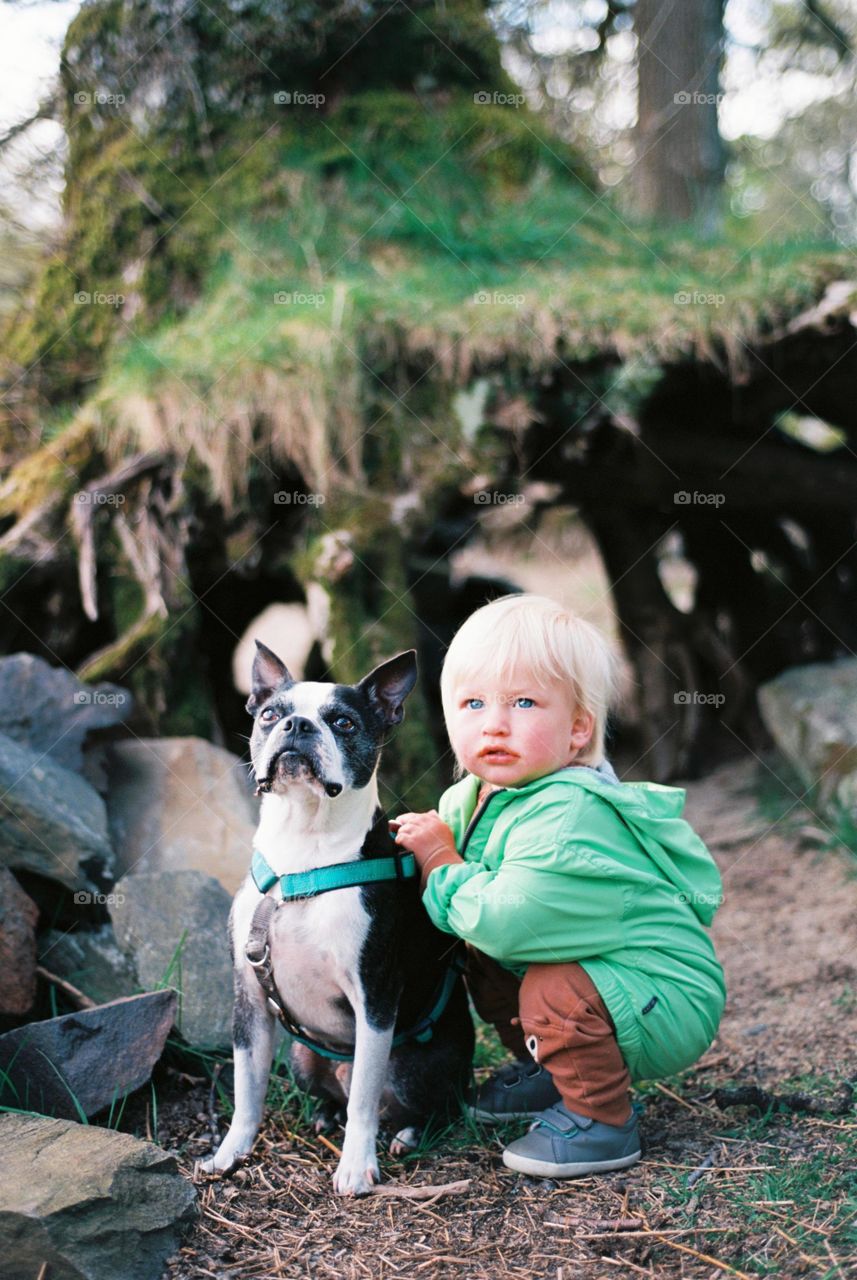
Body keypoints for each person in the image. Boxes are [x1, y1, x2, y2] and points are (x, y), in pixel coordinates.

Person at [391, 593, 726, 1179]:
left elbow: (508, 922)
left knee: (549, 983)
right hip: (612, 979)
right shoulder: (472, 798)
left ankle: (602, 1122)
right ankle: (555, 1071)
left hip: (666, 994)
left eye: (523, 702)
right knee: (482, 958)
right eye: (472, 702)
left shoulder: (569, 814)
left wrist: (441, 858)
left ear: (577, 729)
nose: (494, 722)